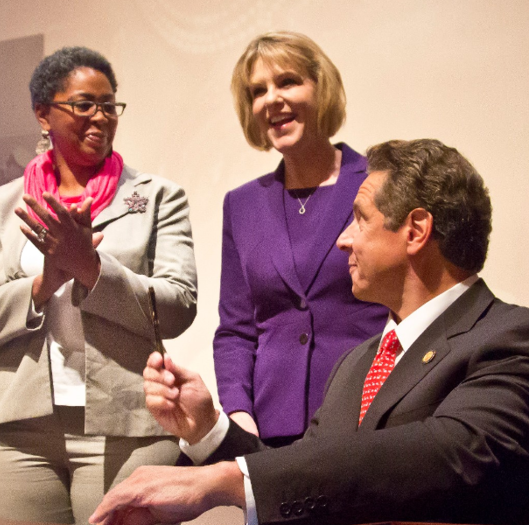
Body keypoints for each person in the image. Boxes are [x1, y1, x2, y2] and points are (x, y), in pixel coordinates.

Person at [89, 139, 529, 525]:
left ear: (415, 230)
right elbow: (297, 479)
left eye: (359, 219)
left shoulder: (509, 338)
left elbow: (450, 453)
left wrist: (222, 480)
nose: (343, 240)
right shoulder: (358, 363)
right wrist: (209, 430)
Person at [0, 46, 198, 525]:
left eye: (109, 105)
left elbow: (178, 306)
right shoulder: (3, 206)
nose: (100, 117)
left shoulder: (157, 197)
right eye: (84, 105)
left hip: (129, 426)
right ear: (44, 112)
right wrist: (45, 282)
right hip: (14, 432)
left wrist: (91, 269)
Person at [215, 31, 387, 444]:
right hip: (270, 431)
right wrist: (238, 411)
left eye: (287, 82)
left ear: (321, 87)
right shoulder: (242, 205)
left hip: (368, 420)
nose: (272, 99)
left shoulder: (381, 184)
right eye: (258, 91)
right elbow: (235, 330)